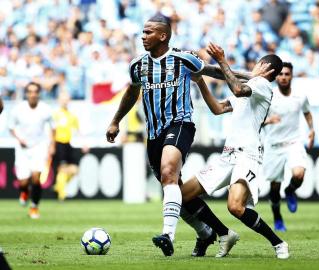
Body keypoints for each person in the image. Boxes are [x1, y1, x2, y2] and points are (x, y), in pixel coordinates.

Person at [106, 14, 249, 257]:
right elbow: (131, 92)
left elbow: (213, 71)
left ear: (163, 35)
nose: (143, 37)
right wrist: (115, 121)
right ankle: (215, 233)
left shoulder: (183, 59)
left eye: (148, 32)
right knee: (176, 192)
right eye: (142, 32)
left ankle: (167, 235)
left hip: (180, 124)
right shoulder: (137, 64)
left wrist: (250, 77)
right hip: (153, 134)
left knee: (168, 172)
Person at [180, 42, 289, 259]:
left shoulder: (262, 86)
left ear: (263, 65)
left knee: (236, 207)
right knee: (182, 196)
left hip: (247, 155)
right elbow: (218, 108)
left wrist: (222, 59)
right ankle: (223, 233)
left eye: (256, 63)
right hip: (228, 156)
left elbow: (237, 87)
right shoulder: (250, 86)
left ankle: (278, 243)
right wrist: (200, 78)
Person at [260, 62, 315, 232]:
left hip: (294, 142)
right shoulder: (268, 96)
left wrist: (312, 130)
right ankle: (277, 216)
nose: (283, 77)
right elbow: (256, 120)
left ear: (292, 76)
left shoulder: (300, 96)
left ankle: (290, 190)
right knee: (274, 189)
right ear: (276, 76)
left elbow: (306, 112)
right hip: (273, 146)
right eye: (280, 74)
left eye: (287, 74)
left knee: (298, 174)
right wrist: (269, 120)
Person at [9, 82, 55, 219]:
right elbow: (11, 127)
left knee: (36, 178)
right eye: (30, 91)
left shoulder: (45, 109)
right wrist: (19, 138)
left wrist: (52, 145)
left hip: (39, 146)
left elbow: (53, 128)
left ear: (39, 93)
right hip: (23, 148)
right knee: (23, 182)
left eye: (35, 91)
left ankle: (34, 207)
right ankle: (24, 192)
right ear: (26, 93)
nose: (33, 94)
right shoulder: (18, 109)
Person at [52, 91, 84, 201]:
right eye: (63, 99)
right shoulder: (55, 115)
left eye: (67, 99)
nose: (65, 101)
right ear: (59, 100)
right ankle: (62, 195)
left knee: (75, 170)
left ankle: (58, 186)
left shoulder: (72, 116)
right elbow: (50, 131)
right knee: (62, 169)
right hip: (59, 144)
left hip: (69, 144)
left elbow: (78, 131)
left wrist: (84, 143)